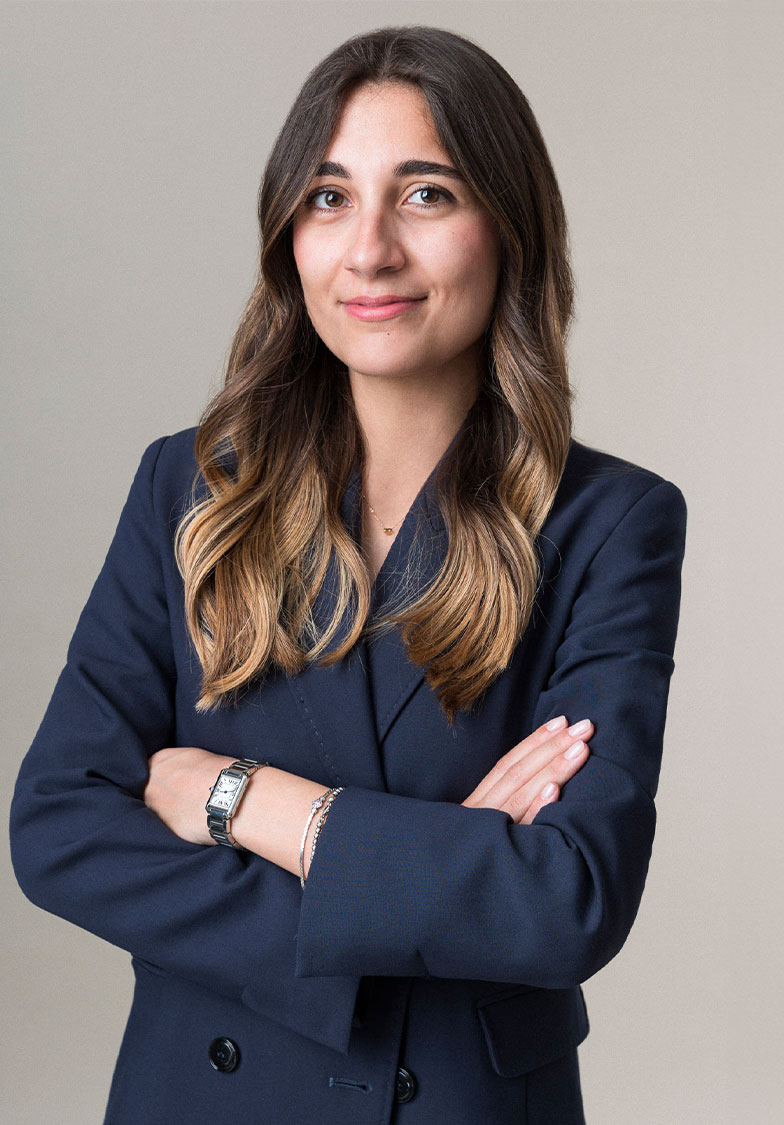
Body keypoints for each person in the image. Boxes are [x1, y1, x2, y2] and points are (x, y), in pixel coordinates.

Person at [9, 25, 684, 1123]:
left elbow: (566, 900)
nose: (368, 250)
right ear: (288, 236)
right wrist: (439, 881)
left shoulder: (612, 521)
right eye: (329, 198)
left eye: (425, 195)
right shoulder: (187, 487)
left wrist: (240, 798)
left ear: (508, 228)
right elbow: (61, 828)